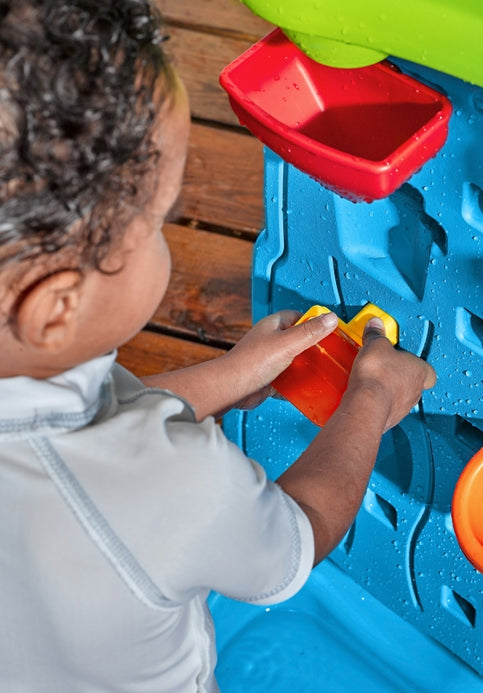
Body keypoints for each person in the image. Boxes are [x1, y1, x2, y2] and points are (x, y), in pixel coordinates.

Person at [0, 1, 436, 691]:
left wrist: (232, 374)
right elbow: (297, 534)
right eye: (160, 221)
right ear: (57, 308)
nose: (168, 234)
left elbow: (84, 439)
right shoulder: (173, 484)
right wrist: (372, 398)